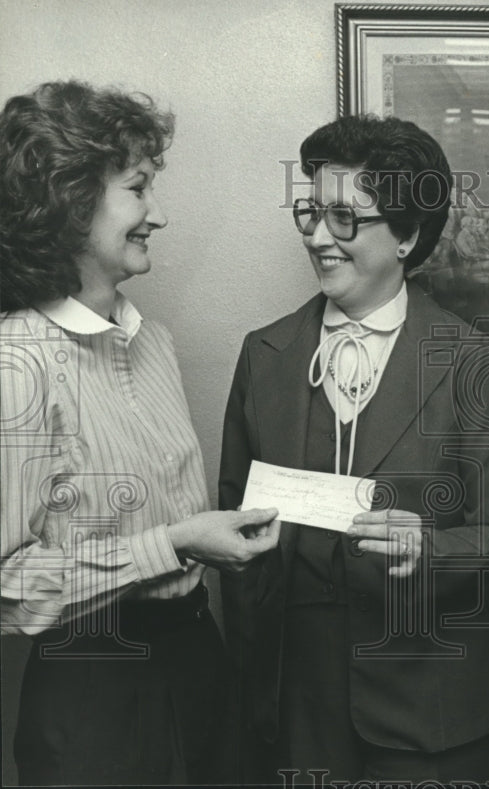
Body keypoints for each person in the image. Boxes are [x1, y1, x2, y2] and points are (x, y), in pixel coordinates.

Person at [218, 114, 489, 783]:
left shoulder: (473, 361)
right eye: (311, 213)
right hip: (296, 709)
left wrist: (430, 548)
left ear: (409, 235)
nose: (320, 237)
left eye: (346, 219)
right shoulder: (263, 356)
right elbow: (232, 541)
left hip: (433, 707)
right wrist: (253, 682)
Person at [0, 80, 280, 785]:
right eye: (138, 188)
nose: (158, 213)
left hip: (196, 656)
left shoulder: (154, 340)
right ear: (69, 202)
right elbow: (6, 586)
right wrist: (177, 542)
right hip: (95, 687)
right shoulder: (17, 362)